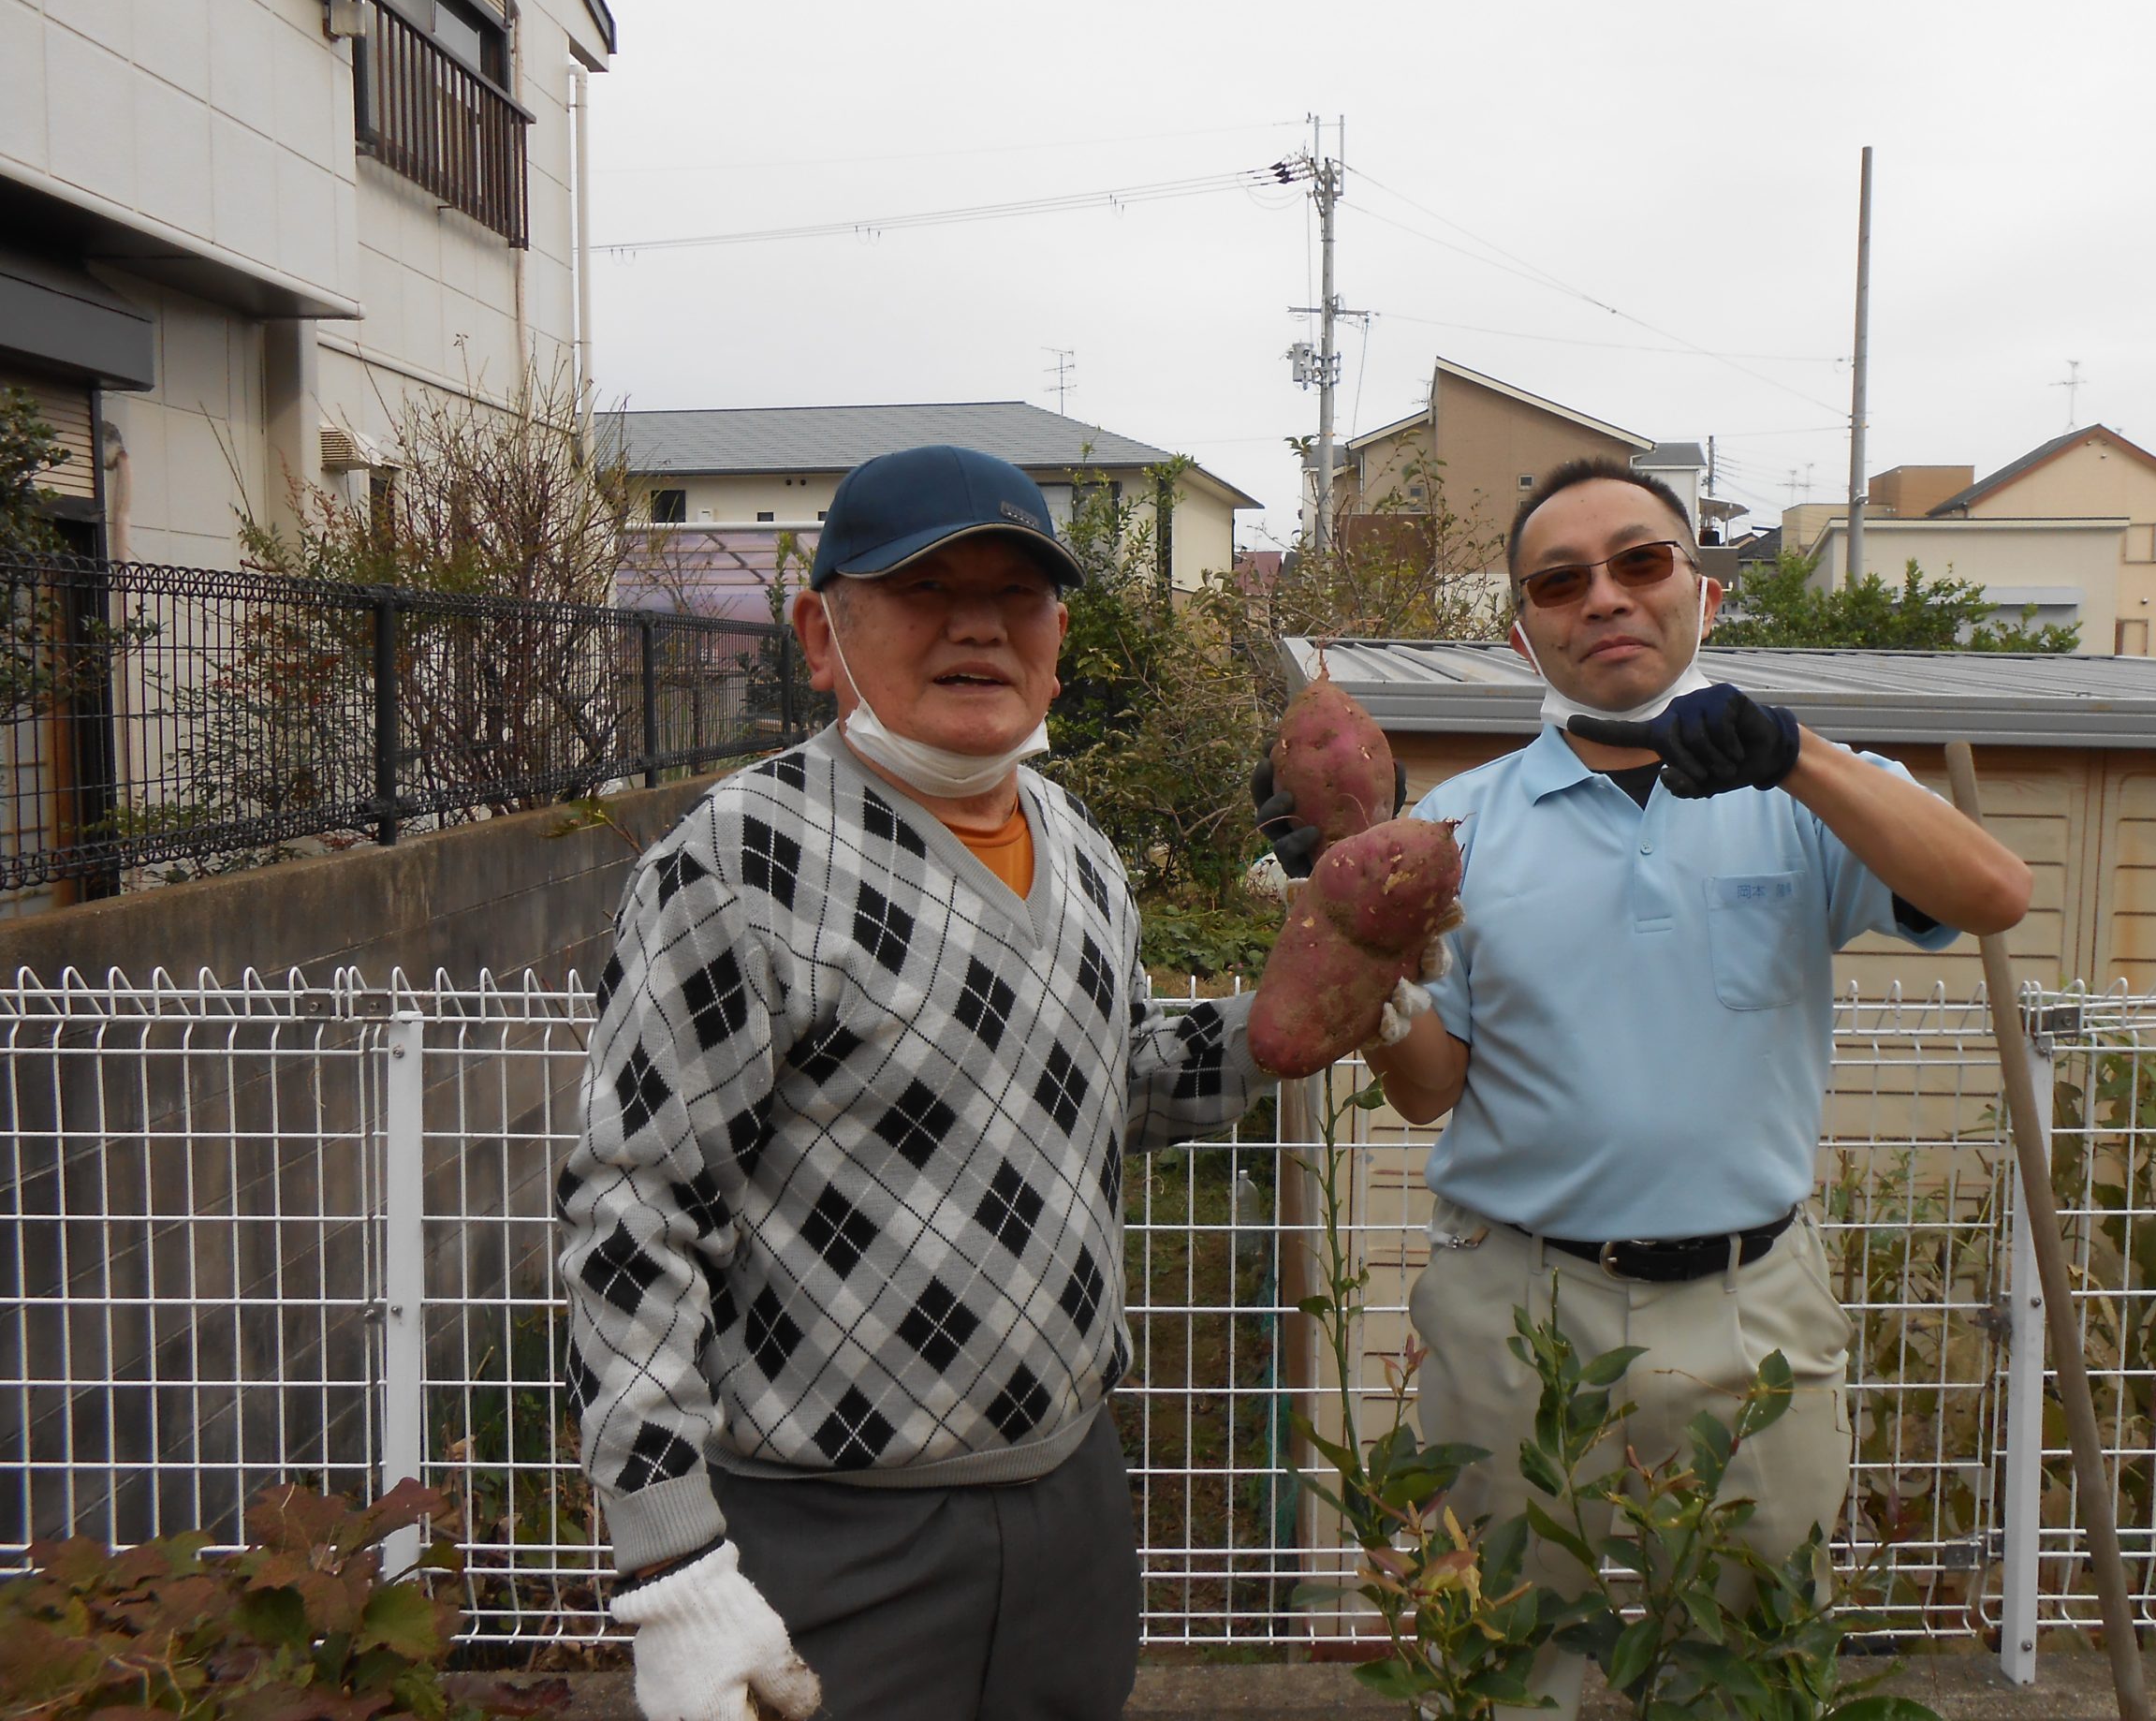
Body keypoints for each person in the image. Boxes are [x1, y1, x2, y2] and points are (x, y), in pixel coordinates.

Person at [1259, 458, 2031, 1716]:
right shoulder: (1465, 828)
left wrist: (1795, 758)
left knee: (1758, 1667)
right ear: (1526, 630)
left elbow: (1992, 894)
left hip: (1749, 1306)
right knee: (1508, 1673)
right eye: (1560, 581)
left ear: (1704, 594)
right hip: (1514, 1305)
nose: (1603, 598)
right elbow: (1427, 1091)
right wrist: (1360, 949)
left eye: (1639, 561)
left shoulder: (1805, 794)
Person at [558, 444, 1272, 1721]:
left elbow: (1111, 1083)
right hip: (834, 1537)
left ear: (1058, 638)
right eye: (924, 588)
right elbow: (634, 1217)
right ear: (819, 633)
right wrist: (670, 1565)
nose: (979, 625)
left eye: (1019, 594)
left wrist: (1279, 1029)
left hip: (1069, 1502)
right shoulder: (734, 866)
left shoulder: (1079, 843)